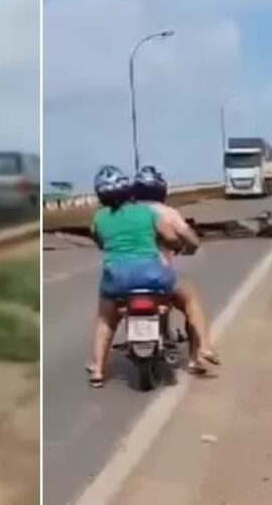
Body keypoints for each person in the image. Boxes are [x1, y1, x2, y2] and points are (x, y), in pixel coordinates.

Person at [86, 165, 184, 387]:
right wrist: (176, 245)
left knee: (105, 320)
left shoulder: (99, 218)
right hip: (153, 277)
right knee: (169, 293)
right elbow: (169, 237)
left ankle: (99, 370)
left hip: (118, 281)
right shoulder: (146, 213)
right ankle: (163, 319)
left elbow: (99, 242)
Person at [132, 165, 221, 375]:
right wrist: (187, 247)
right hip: (159, 276)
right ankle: (197, 355)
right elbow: (191, 240)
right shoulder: (167, 213)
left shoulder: (126, 213)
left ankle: (98, 363)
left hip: (127, 278)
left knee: (107, 315)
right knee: (191, 303)